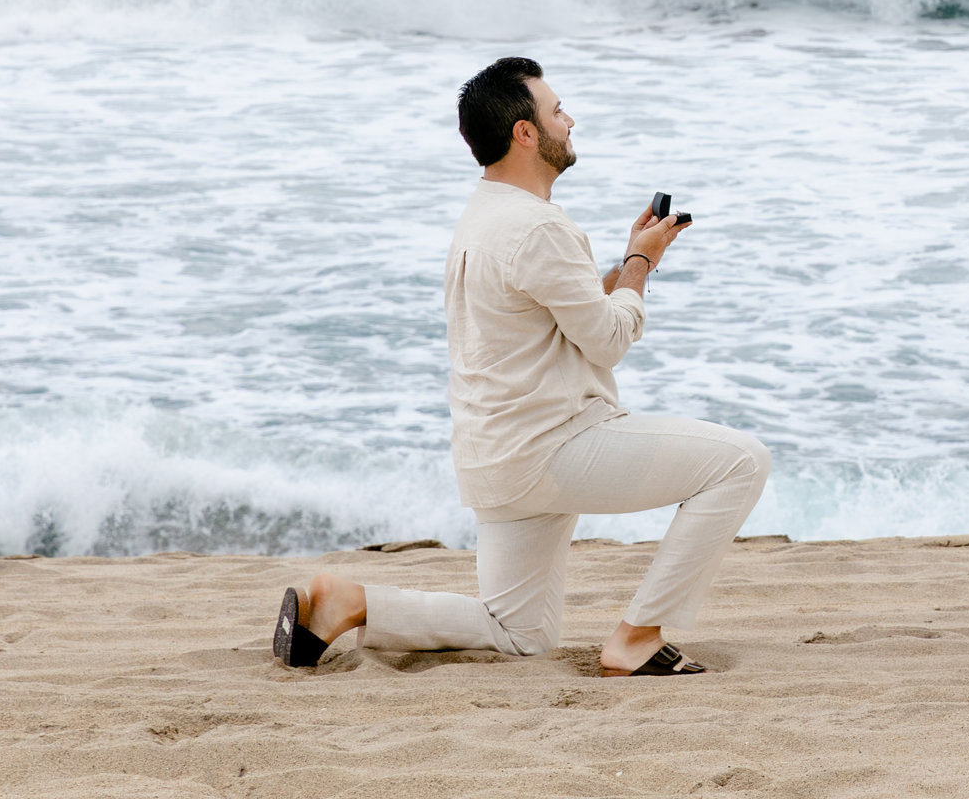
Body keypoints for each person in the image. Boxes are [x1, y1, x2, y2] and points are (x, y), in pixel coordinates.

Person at [272, 56, 770, 677]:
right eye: (557, 110)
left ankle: (346, 602)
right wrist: (642, 266)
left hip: (496, 459)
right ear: (526, 133)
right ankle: (637, 637)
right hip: (553, 448)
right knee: (741, 460)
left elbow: (559, 307)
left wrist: (630, 261)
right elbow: (608, 339)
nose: (570, 119)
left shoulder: (482, 215)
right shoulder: (539, 226)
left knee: (519, 633)